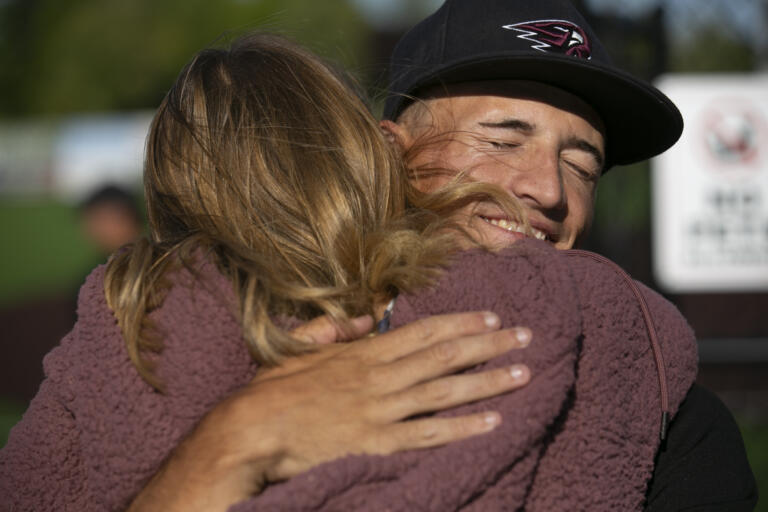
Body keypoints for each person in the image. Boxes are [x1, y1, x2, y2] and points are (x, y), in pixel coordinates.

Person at [0, 1, 756, 511]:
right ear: (389, 155)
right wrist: (233, 444)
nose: (546, 190)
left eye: (583, 163)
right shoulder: (163, 326)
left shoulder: (654, 393)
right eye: (502, 138)